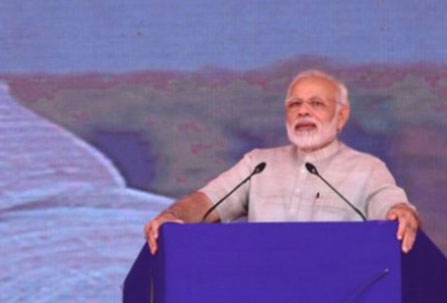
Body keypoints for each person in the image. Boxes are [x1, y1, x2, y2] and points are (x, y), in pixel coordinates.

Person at [144, 70, 420, 254]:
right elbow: (208, 200)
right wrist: (175, 216)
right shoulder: (258, 164)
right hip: (261, 293)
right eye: (294, 104)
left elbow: (388, 204)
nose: (303, 111)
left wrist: (399, 211)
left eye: (317, 104)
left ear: (342, 116)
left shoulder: (367, 168)